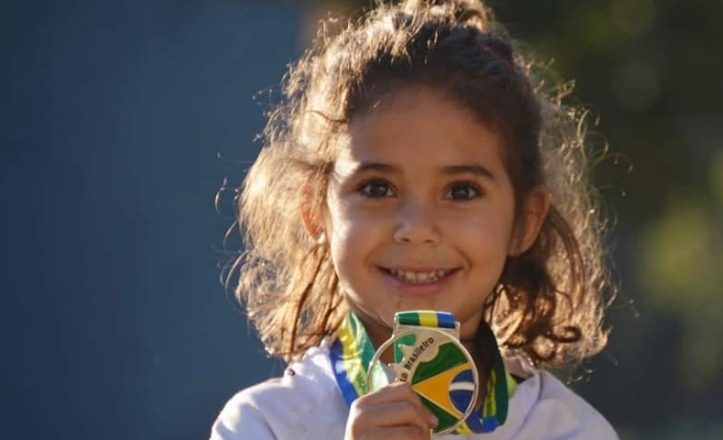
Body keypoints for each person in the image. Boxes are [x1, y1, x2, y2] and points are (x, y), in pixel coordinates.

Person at [211, 0, 617, 438]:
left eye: (461, 191)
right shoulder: (266, 424)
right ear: (315, 210)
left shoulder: (568, 431)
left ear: (524, 221)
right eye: (377, 188)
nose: (417, 229)